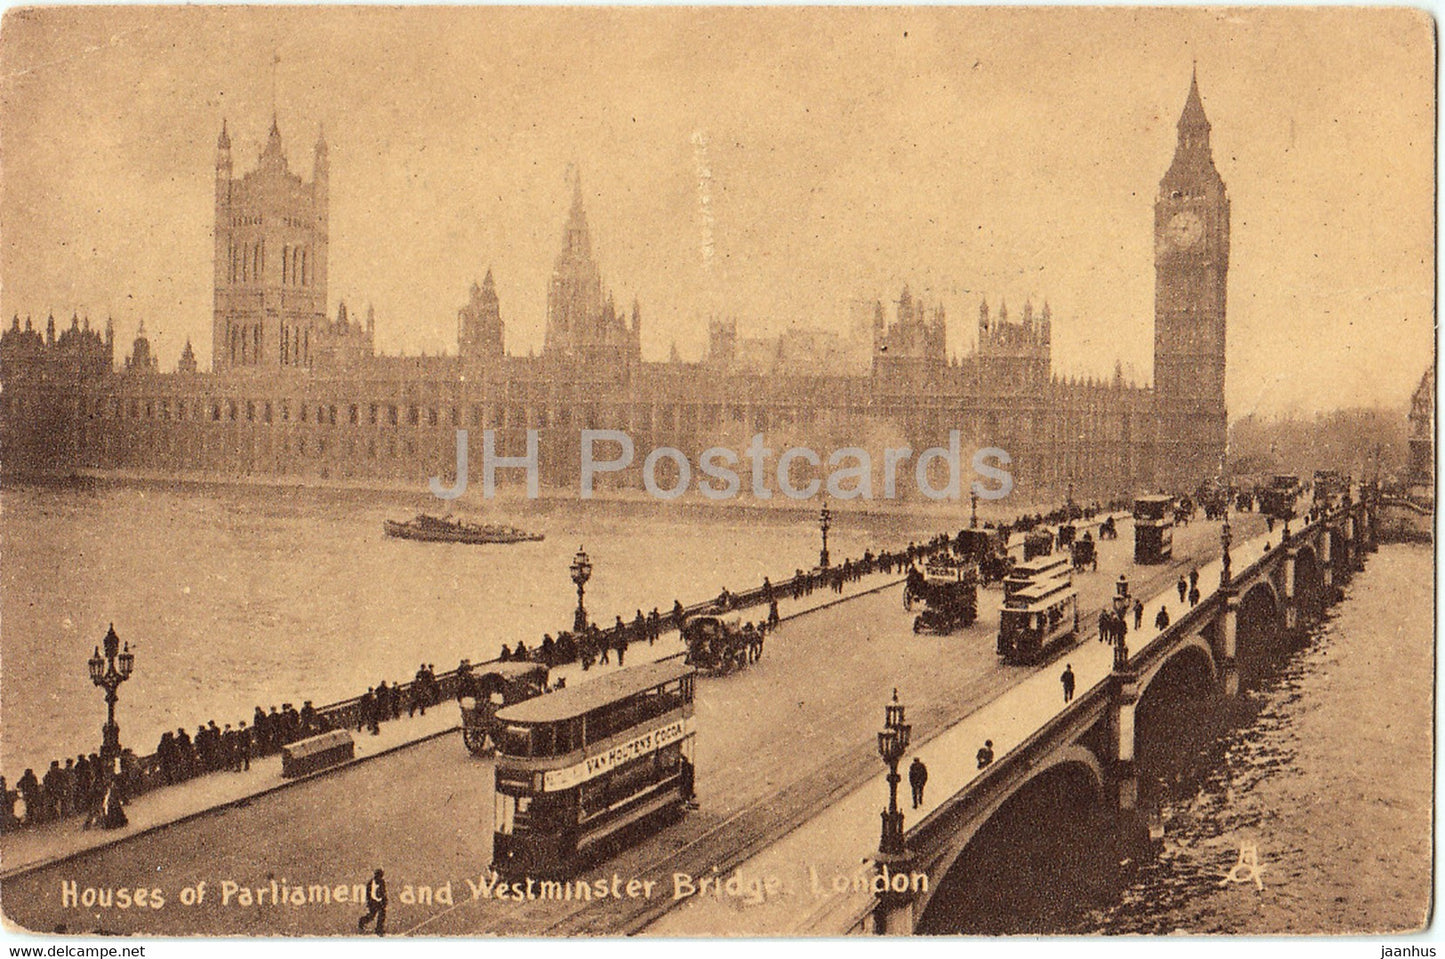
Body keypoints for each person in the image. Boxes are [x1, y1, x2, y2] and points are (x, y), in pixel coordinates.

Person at [357, 868, 388, 936]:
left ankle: (379, 929)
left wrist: (384, 900)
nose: (380, 877)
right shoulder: (371, 883)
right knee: (372, 915)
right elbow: (368, 894)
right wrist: (370, 902)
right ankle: (362, 922)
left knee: (382, 915)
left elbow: (383, 892)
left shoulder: (382, 882)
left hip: (380, 902)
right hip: (373, 902)